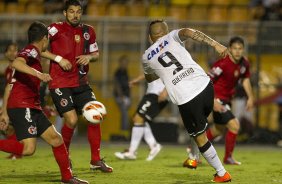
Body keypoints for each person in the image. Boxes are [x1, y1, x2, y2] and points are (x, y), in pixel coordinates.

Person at [142, 19, 231, 182]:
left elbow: (149, 78)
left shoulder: (146, 56)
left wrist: (165, 72)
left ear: (150, 37)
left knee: (199, 136)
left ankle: (221, 173)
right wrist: (215, 44)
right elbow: (190, 32)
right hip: (206, 86)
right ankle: (194, 157)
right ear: (166, 31)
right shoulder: (173, 36)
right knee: (198, 128)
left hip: (187, 98)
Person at [0, 21, 88, 184]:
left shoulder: (33, 52)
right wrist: (39, 75)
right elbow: (16, 63)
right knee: (28, 149)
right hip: (22, 105)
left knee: (56, 139)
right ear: (45, 39)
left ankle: (67, 178)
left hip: (31, 105)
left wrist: (4, 112)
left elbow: (10, 85)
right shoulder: (30, 51)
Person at [41, 0, 112, 172]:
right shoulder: (54, 29)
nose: (75, 15)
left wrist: (89, 58)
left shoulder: (89, 30)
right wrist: (58, 59)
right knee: (71, 120)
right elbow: (39, 48)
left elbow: (96, 53)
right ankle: (66, 158)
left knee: (95, 115)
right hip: (60, 83)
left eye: (78, 11)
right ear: (65, 13)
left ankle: (95, 160)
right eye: (71, 11)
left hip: (81, 81)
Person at [183, 36, 254, 168]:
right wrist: (213, 100)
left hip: (227, 99)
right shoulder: (222, 64)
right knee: (234, 125)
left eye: (240, 49)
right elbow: (207, 80)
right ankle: (228, 158)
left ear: (243, 50)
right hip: (217, 99)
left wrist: (250, 97)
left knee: (218, 130)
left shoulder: (244, 63)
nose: (237, 51)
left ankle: (194, 146)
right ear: (229, 49)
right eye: (234, 48)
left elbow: (245, 79)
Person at [115, 74, 168, 161]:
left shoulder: (164, 60)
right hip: (152, 93)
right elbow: (148, 72)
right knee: (139, 119)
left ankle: (132, 152)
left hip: (157, 94)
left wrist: (166, 91)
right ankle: (153, 145)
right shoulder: (152, 61)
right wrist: (137, 80)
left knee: (138, 118)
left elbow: (170, 74)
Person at [0, 42, 23, 160]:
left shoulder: (20, 67)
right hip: (11, 103)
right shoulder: (7, 70)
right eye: (10, 50)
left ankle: (17, 152)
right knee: (8, 128)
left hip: (20, 103)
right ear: (5, 53)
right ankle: (16, 152)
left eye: (15, 50)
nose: (13, 53)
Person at [113, 55, 131, 131]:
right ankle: (124, 130)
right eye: (123, 62)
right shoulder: (118, 72)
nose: (125, 64)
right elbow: (117, 85)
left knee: (126, 112)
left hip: (126, 96)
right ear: (120, 63)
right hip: (120, 97)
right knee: (124, 113)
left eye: (126, 62)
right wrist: (121, 96)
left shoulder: (126, 72)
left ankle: (125, 129)